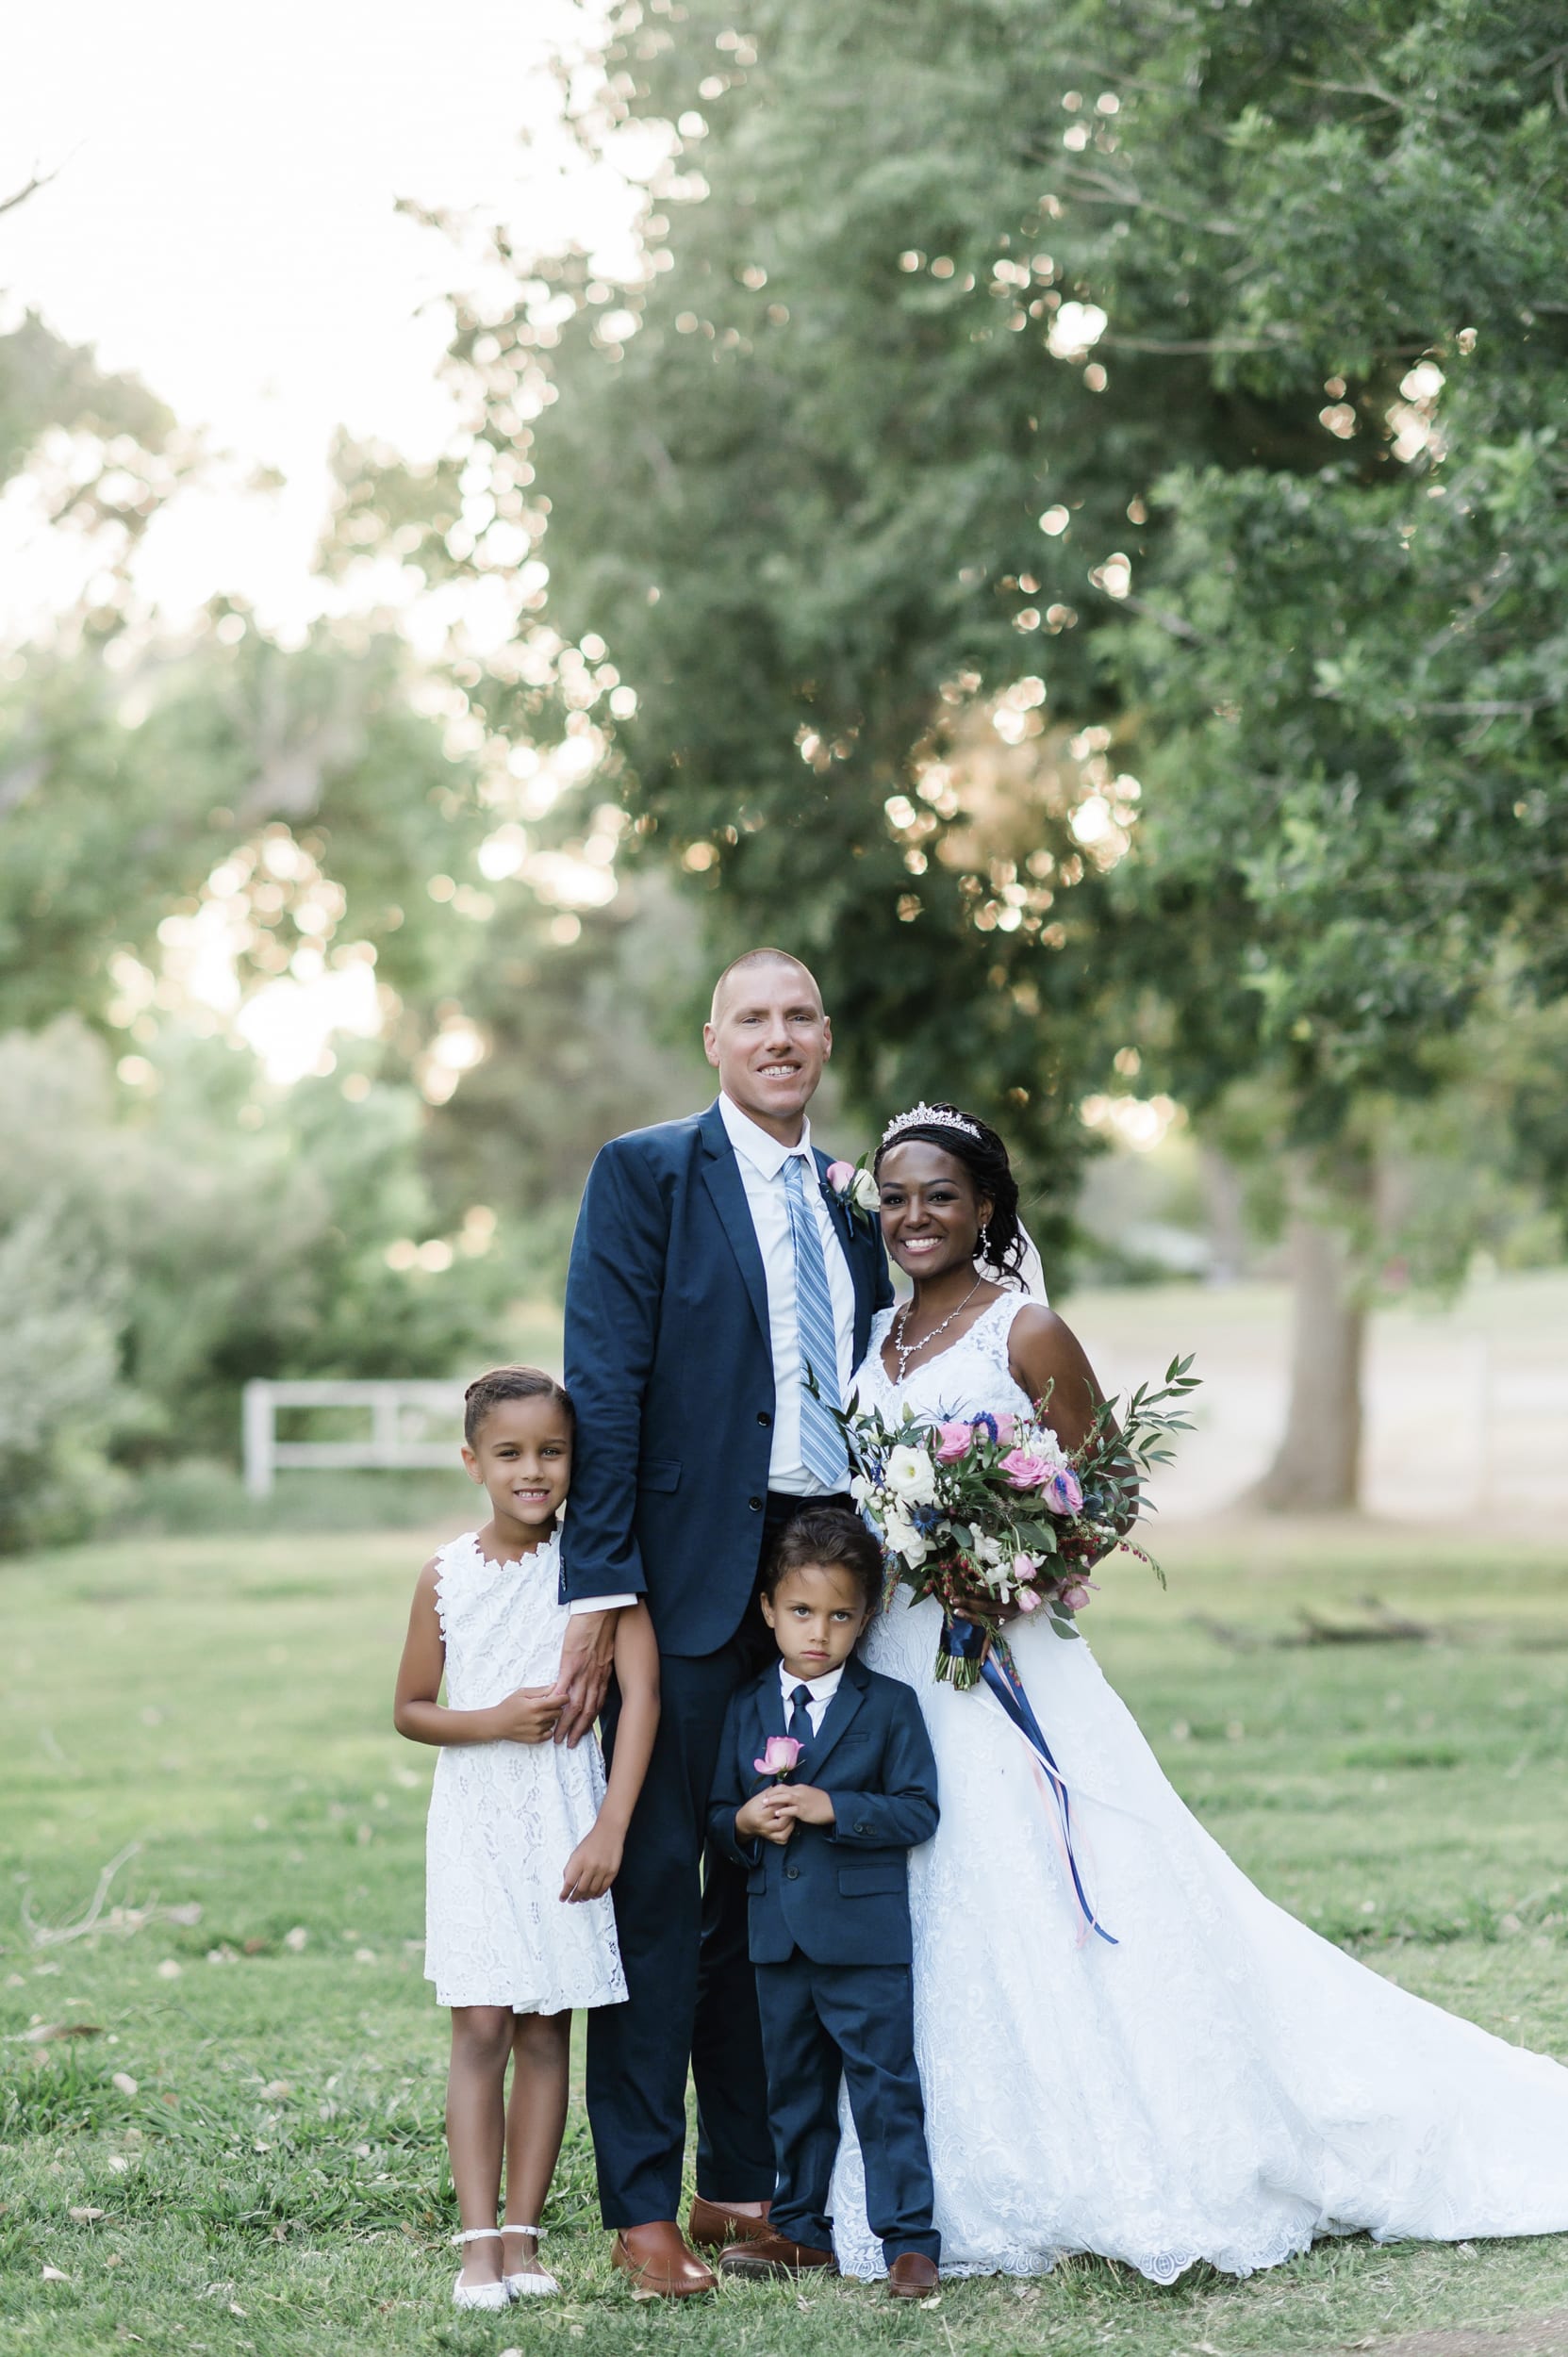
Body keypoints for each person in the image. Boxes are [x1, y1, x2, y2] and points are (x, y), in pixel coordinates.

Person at [828, 1102, 1568, 2283]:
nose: (916, 1217)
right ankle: (939, 2164)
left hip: (1006, 1658)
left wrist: (1016, 1571)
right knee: (931, 1889)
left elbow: (1106, 1486)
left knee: (1052, 1877)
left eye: (941, 1196)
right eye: (897, 1196)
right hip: (895, 1657)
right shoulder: (873, 1336)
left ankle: (1122, 2143)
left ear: (986, 1207)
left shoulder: (1025, 1330)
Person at [553, 949, 893, 2298]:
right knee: (652, 1889)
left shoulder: (851, 1199)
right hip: (682, 1586)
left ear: (823, 1037)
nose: (777, 1036)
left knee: (771, 1895)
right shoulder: (644, 1175)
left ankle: (741, 2191)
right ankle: (640, 2214)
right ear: (711, 1040)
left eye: (799, 1014)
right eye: (751, 1017)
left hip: (816, 1584)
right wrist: (598, 1590)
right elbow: (603, 1383)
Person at [392, 1366, 659, 2310]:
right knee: (480, 2025)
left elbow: (644, 1701)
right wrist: (494, 1719)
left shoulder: (597, 1569)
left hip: (563, 1819)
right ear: (473, 1461)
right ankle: (475, 2247)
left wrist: (609, 1829)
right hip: (474, 1822)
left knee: (548, 2027)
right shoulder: (445, 1574)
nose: (533, 1470)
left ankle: (524, 2237)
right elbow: (411, 1710)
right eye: (510, 1453)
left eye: (551, 1451)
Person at [708, 1506, 942, 2298]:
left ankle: (909, 2239)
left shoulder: (888, 1706)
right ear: (769, 1609)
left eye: (840, 1616)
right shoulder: (743, 1707)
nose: (819, 1632)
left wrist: (833, 1808)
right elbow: (715, 1816)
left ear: (865, 1617)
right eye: (802, 1612)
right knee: (794, 2090)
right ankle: (801, 2231)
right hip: (776, 1937)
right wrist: (745, 1821)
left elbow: (917, 1809)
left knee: (884, 2084)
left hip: (864, 1936)